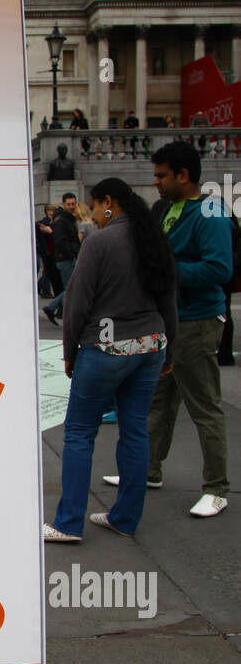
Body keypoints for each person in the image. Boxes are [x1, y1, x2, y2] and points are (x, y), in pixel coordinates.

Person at [44, 178, 177, 542]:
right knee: (134, 430)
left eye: (96, 205)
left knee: (79, 433)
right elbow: (168, 300)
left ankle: (68, 522)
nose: (96, 214)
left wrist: (70, 352)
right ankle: (125, 518)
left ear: (108, 203)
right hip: (151, 344)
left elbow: (77, 304)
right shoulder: (153, 239)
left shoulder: (100, 242)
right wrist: (171, 349)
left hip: (105, 347)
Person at [106, 141, 233, 518]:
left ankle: (217, 488)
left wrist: (166, 270)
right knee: (158, 402)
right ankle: (148, 470)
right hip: (168, 321)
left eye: (162, 175)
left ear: (184, 175)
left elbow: (219, 269)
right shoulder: (168, 208)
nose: (156, 182)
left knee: (204, 406)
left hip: (196, 322)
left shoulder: (210, 210)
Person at [43, 192, 80, 324]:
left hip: (67, 257)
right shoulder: (62, 221)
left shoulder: (67, 219)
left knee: (71, 288)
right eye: (68, 204)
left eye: (73, 203)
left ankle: (52, 307)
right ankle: (62, 312)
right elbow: (59, 241)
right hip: (65, 259)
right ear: (63, 204)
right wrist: (70, 254)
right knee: (72, 288)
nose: (71, 206)